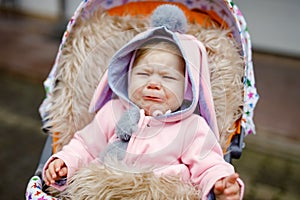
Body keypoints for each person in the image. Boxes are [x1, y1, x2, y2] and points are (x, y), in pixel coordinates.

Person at [43, 5, 244, 200]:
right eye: (144, 74)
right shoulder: (112, 111)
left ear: (187, 89)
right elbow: (85, 147)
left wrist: (221, 183)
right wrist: (65, 163)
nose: (154, 83)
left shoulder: (192, 127)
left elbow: (209, 164)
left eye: (168, 77)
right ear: (128, 77)